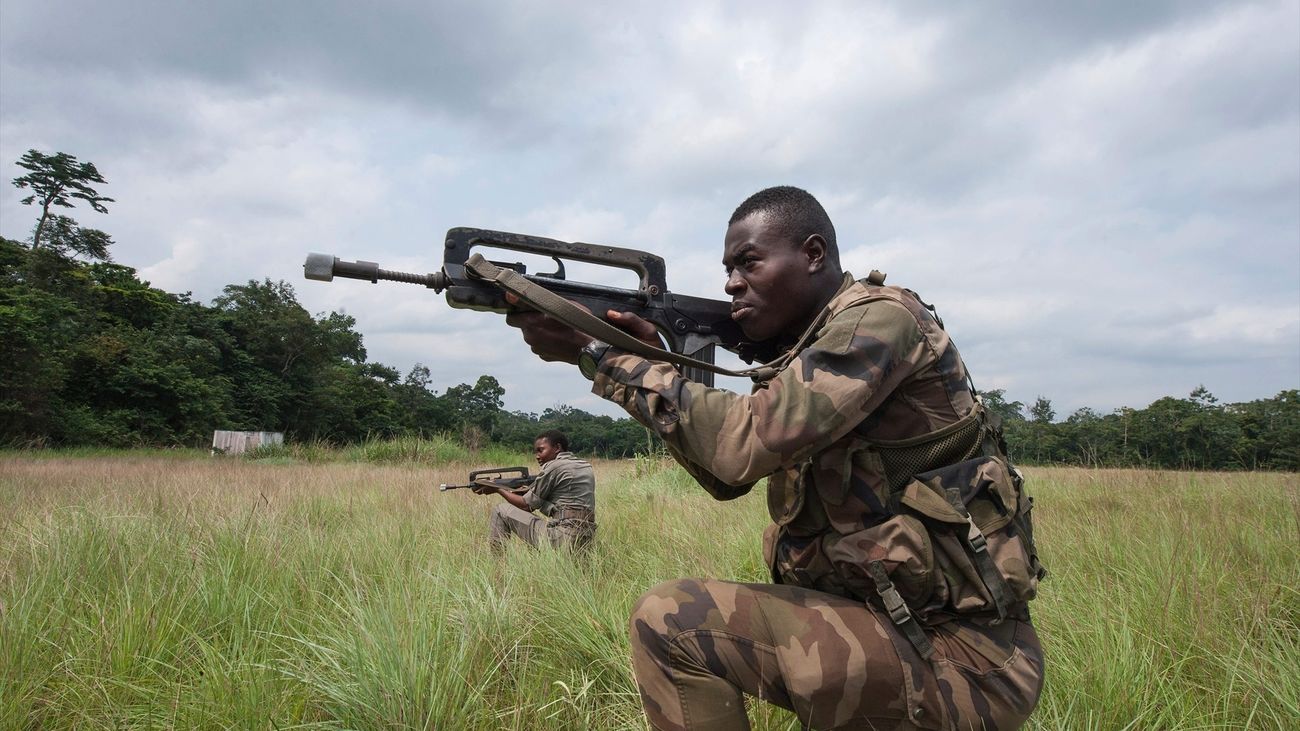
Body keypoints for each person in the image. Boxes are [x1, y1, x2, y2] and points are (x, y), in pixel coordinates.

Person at [507, 186, 1045, 730]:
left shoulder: (881, 321)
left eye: (749, 262)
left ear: (813, 254)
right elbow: (725, 478)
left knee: (672, 621)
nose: (731, 282)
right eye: (728, 269)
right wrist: (648, 358)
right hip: (893, 628)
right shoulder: (803, 353)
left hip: (965, 659)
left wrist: (599, 355)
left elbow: (741, 446)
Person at [475, 430, 597, 553]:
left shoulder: (554, 466)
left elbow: (526, 506)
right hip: (586, 538)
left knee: (500, 510)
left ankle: (498, 563)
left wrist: (497, 488)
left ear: (557, 448)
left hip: (562, 536)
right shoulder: (584, 466)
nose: (537, 456)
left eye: (541, 450)